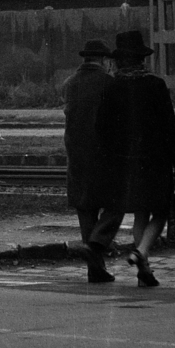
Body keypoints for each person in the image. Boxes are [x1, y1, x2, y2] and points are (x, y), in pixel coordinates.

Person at [99, 28, 175, 289]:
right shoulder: (156, 85)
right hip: (155, 158)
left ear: (119, 60)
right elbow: (170, 126)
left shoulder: (113, 87)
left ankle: (144, 272)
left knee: (140, 213)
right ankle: (142, 253)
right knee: (159, 211)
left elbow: (102, 128)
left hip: (125, 161)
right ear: (141, 59)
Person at [64, 38, 122, 283]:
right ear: (103, 60)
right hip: (103, 154)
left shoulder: (69, 84)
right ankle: (98, 243)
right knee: (117, 203)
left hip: (76, 155)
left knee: (86, 211)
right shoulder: (110, 83)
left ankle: (95, 269)